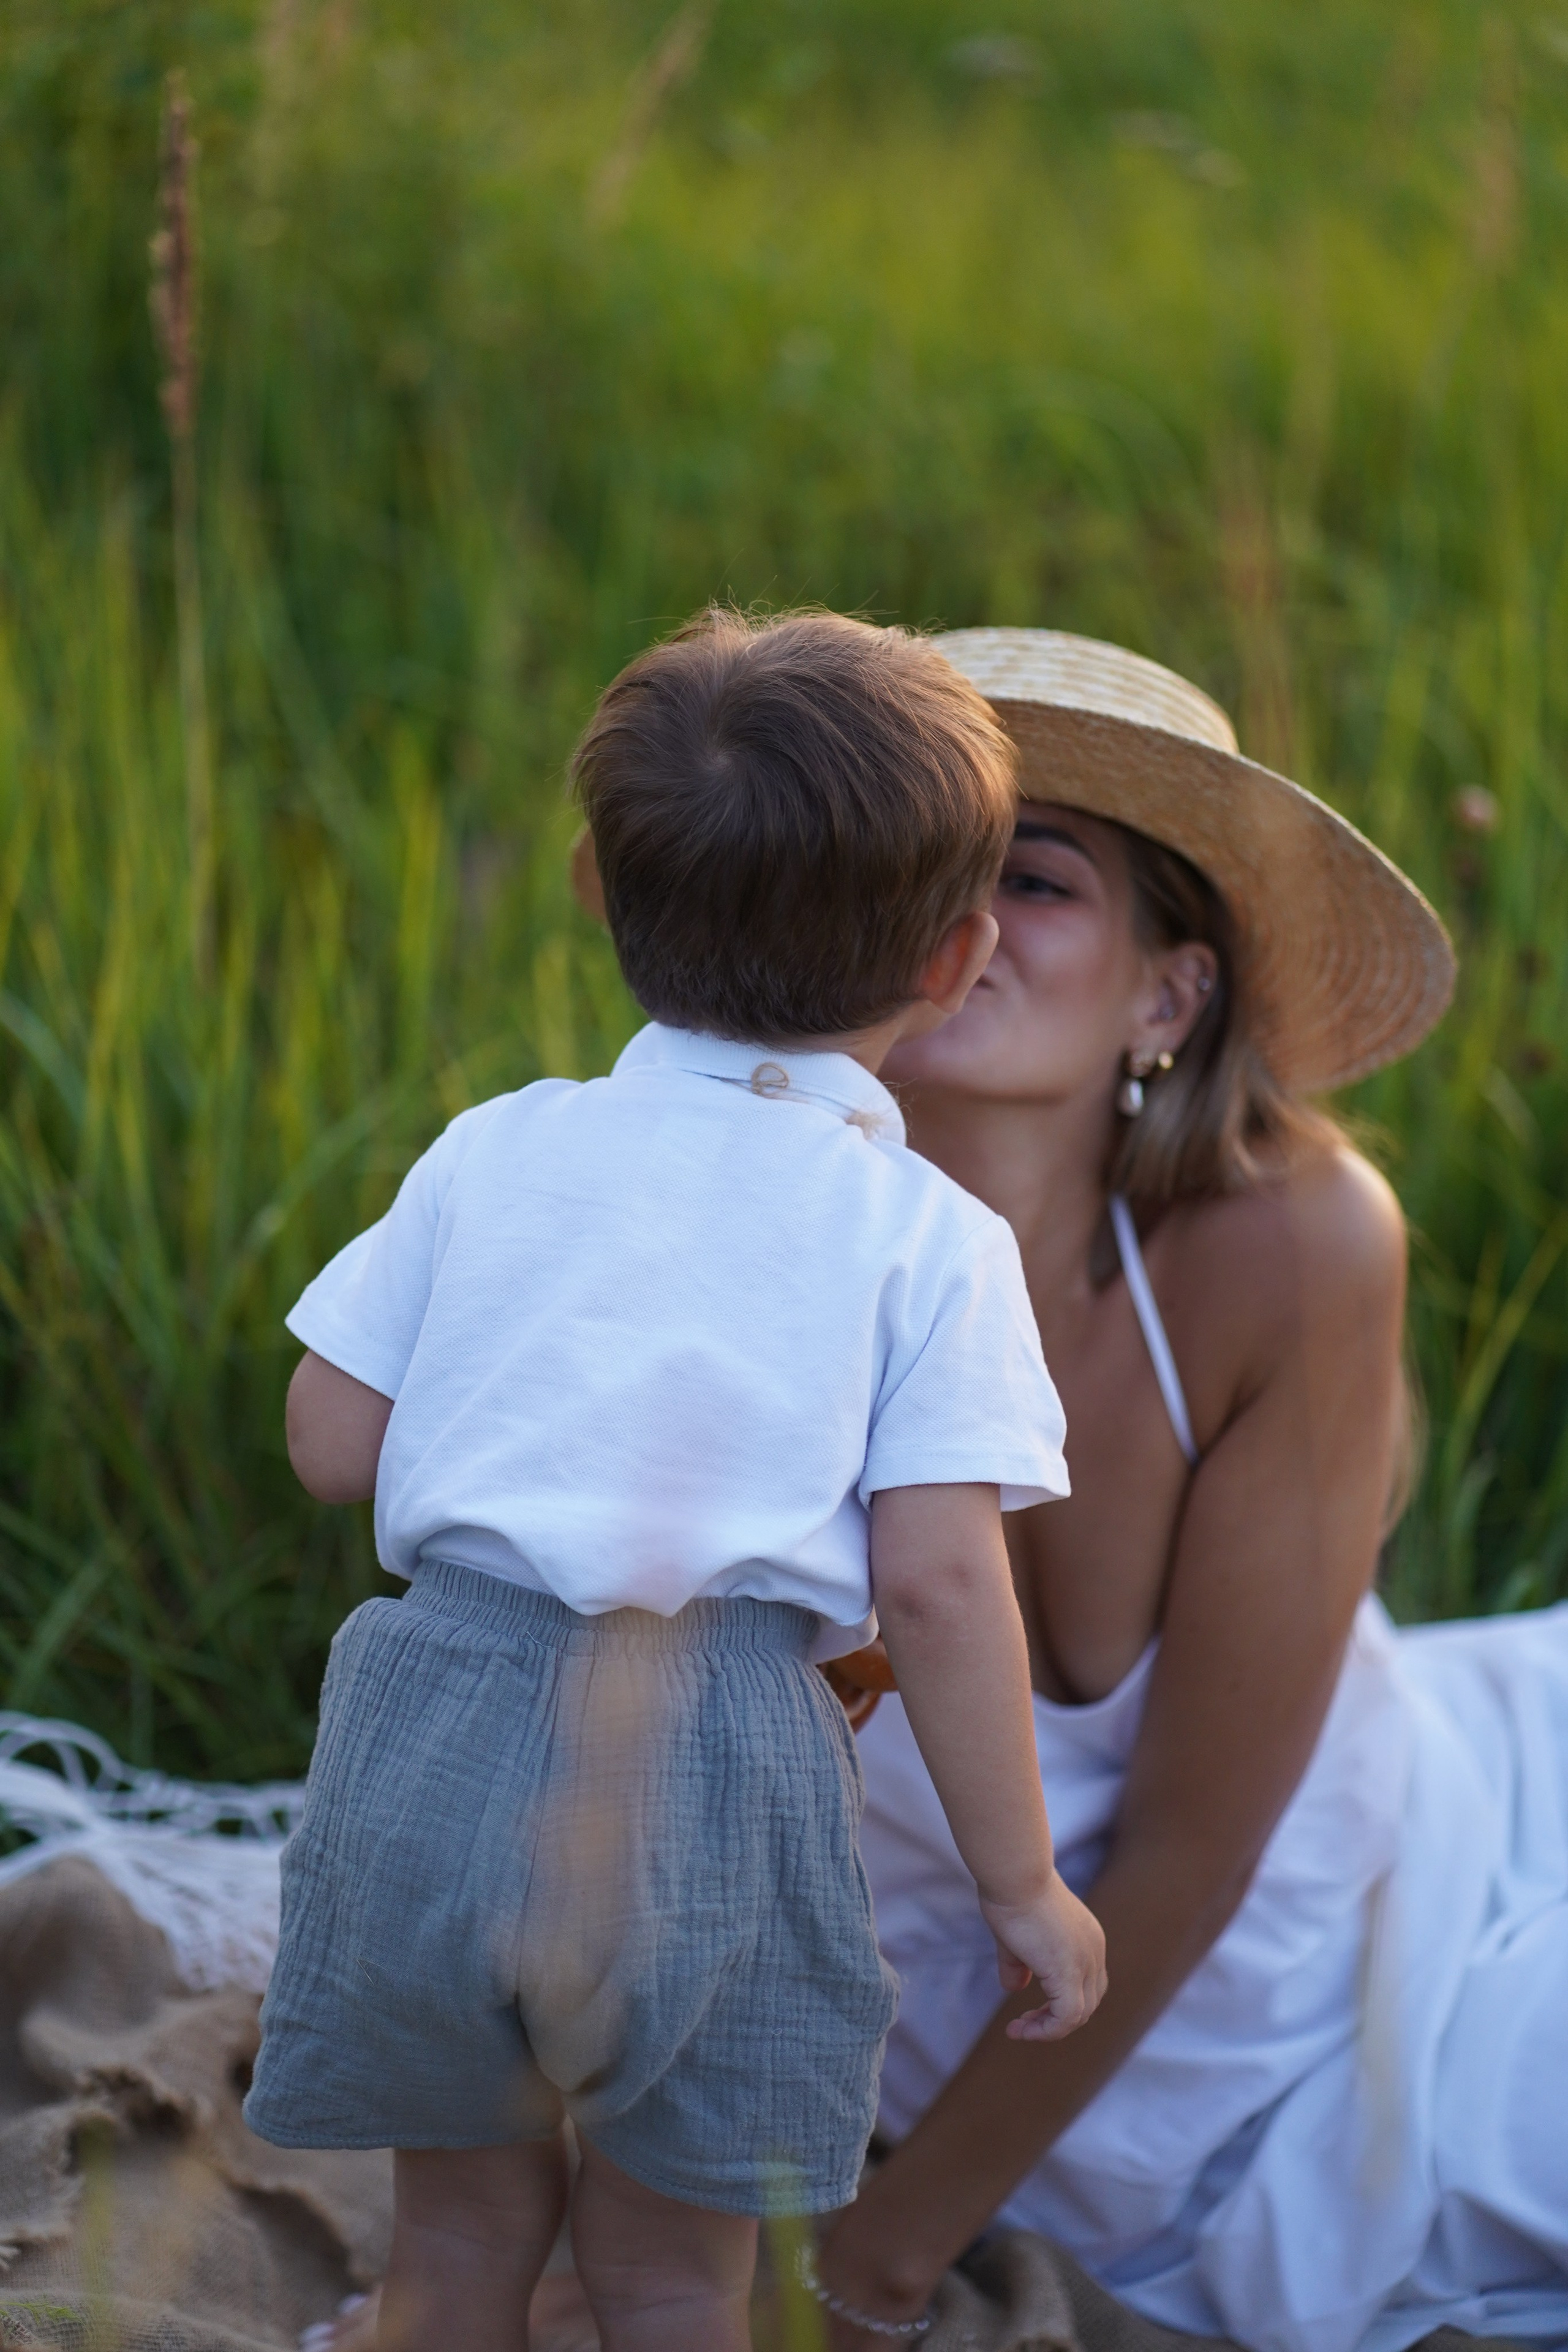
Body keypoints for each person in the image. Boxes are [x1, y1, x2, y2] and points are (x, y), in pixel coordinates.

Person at [247, 608, 1106, 2352]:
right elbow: (941, 1587)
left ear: (590, 883)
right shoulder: (927, 1241)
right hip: (712, 1762)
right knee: (663, 2279)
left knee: (459, 2250)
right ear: (952, 962)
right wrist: (1020, 1886)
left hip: (430, 1727)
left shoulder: (498, 1147)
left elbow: (330, 1439)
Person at [808, 628, 1568, 2352]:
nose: (965, 920)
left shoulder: (1288, 1248)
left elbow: (1199, 1846)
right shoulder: (741, 1237)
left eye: (1039, 877)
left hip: (1338, 1934)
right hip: (924, 1992)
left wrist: (884, 2256)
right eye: (918, 868)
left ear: (1169, 995)